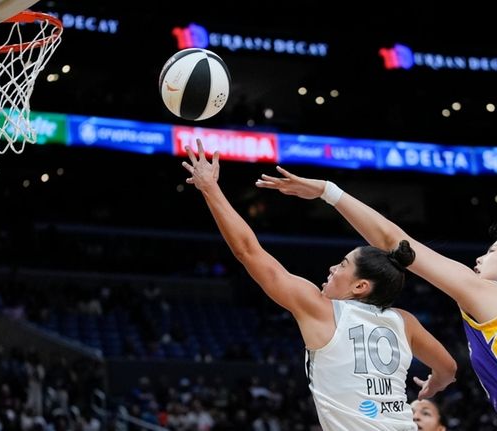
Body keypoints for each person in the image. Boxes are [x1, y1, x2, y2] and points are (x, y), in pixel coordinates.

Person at [256, 166, 497, 431]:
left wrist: (328, 192)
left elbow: (393, 243)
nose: (478, 259)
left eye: (490, 252)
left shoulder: (493, 293)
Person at [181, 141, 457, 430]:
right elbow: (449, 369)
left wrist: (210, 188)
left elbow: (248, 252)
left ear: (360, 286)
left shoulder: (322, 309)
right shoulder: (405, 321)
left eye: (342, 265)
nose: (332, 269)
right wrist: (435, 383)